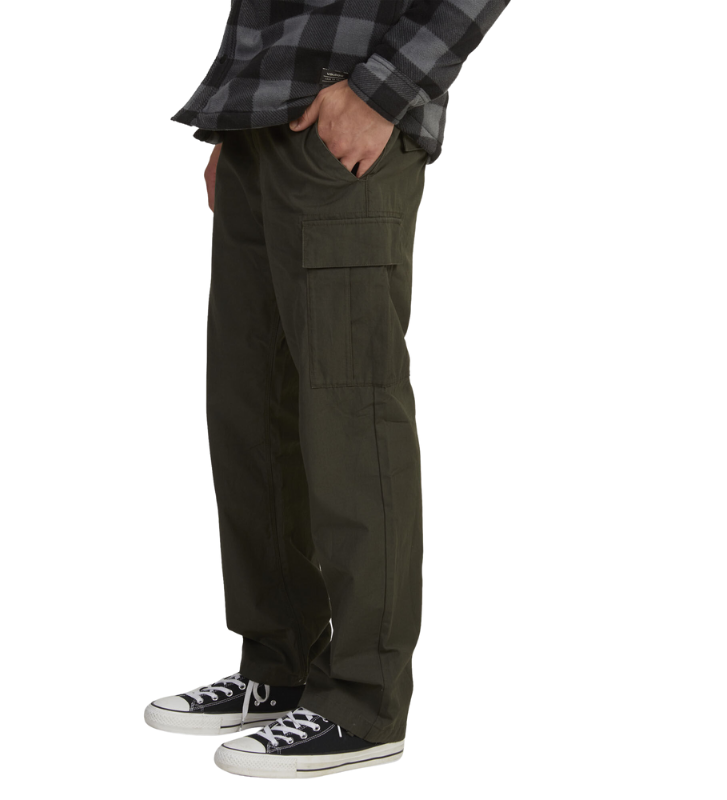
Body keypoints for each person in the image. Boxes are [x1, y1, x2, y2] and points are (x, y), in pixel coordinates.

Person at [145, 0, 510, 779]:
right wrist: (237, 116)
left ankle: (364, 703)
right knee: (249, 406)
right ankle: (279, 665)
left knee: (351, 413)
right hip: (257, 118)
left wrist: (384, 91)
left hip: (348, 114)